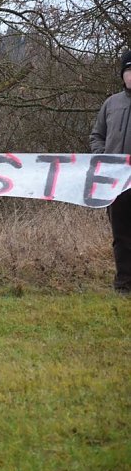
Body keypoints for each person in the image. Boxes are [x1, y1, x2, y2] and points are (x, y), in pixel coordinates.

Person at [90, 49, 131, 294]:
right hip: (116, 184)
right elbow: (97, 135)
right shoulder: (111, 104)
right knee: (122, 236)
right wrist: (103, 153)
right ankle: (124, 284)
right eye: (128, 71)